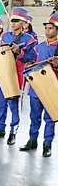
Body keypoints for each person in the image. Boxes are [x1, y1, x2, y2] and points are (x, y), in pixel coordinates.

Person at [0, 8, 37, 145]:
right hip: (3, 74)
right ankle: (0, 128)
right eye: (12, 21)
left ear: (24, 23)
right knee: (1, 104)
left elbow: (33, 58)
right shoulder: (5, 36)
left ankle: (13, 131)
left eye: (16, 21)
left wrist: (19, 52)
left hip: (17, 75)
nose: (13, 23)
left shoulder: (30, 40)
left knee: (14, 105)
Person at [19, 13, 58, 157]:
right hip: (36, 88)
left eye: (50, 28)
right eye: (46, 28)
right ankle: (32, 140)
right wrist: (26, 60)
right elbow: (29, 60)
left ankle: (47, 144)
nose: (47, 31)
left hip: (52, 88)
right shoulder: (38, 47)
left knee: (50, 118)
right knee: (34, 116)